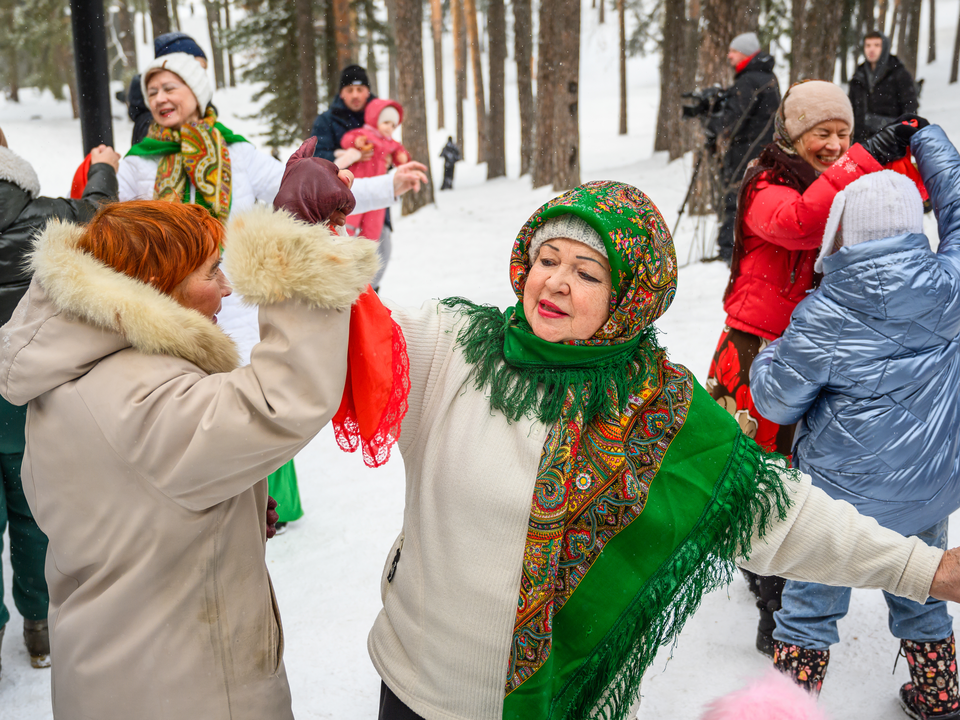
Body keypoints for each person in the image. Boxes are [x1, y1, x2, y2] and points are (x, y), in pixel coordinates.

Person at [270, 165, 960, 719]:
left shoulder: (662, 415)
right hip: (419, 687)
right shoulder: (455, 346)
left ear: (629, 294)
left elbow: (779, 516)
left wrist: (923, 571)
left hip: (565, 701)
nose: (556, 282)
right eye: (547, 258)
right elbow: (343, 342)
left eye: (588, 271)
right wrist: (304, 242)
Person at [0, 156, 378, 718]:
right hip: (182, 688)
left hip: (115, 668)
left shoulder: (73, 364)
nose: (225, 289)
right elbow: (282, 399)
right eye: (210, 272)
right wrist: (295, 242)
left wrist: (226, 512)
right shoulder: (141, 397)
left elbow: (134, 502)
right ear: (156, 287)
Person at [705, 80, 921, 657]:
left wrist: (916, 149)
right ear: (793, 134)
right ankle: (770, 590)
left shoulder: (848, 178)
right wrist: (866, 155)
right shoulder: (767, 182)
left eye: (843, 133)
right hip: (757, 349)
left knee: (804, 472)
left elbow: (903, 197)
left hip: (817, 350)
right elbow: (799, 222)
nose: (833, 144)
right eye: (821, 133)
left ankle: (783, 567)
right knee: (760, 466)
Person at [750, 126, 960, 718]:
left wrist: (770, 354)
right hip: (926, 489)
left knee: (810, 603)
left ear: (839, 233)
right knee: (922, 586)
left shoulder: (824, 314)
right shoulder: (949, 286)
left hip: (837, 502)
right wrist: (931, 144)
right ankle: (939, 695)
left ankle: (788, 707)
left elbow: (774, 403)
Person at [0, 130, 119, 675]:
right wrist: (101, 165)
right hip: (24, 386)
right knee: (32, 510)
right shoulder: (43, 215)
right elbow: (100, 211)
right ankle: (39, 626)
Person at [705, 32, 780, 264]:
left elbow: (736, 117)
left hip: (747, 150)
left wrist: (712, 125)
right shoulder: (766, 76)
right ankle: (748, 246)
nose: (729, 55)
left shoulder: (748, 80)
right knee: (754, 197)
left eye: (733, 51)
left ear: (745, 53)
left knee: (736, 197)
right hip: (762, 148)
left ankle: (729, 249)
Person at [341, 98, 410, 289]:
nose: (389, 127)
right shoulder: (365, 133)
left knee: (374, 225)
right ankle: (344, 248)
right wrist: (358, 142)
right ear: (375, 119)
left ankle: (366, 256)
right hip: (359, 187)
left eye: (393, 124)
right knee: (351, 217)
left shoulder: (391, 144)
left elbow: (400, 153)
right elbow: (348, 139)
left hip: (379, 193)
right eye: (386, 122)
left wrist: (402, 157)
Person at [120, 32, 209, 147]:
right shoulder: (151, 126)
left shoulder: (208, 117)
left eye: (203, 70)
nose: (199, 76)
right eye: (194, 68)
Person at [849, 31, 919, 145]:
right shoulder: (859, 75)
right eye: (868, 45)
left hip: (890, 142)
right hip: (860, 141)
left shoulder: (899, 73)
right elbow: (850, 108)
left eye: (877, 45)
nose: (871, 50)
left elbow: (910, 108)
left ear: (885, 47)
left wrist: (900, 135)